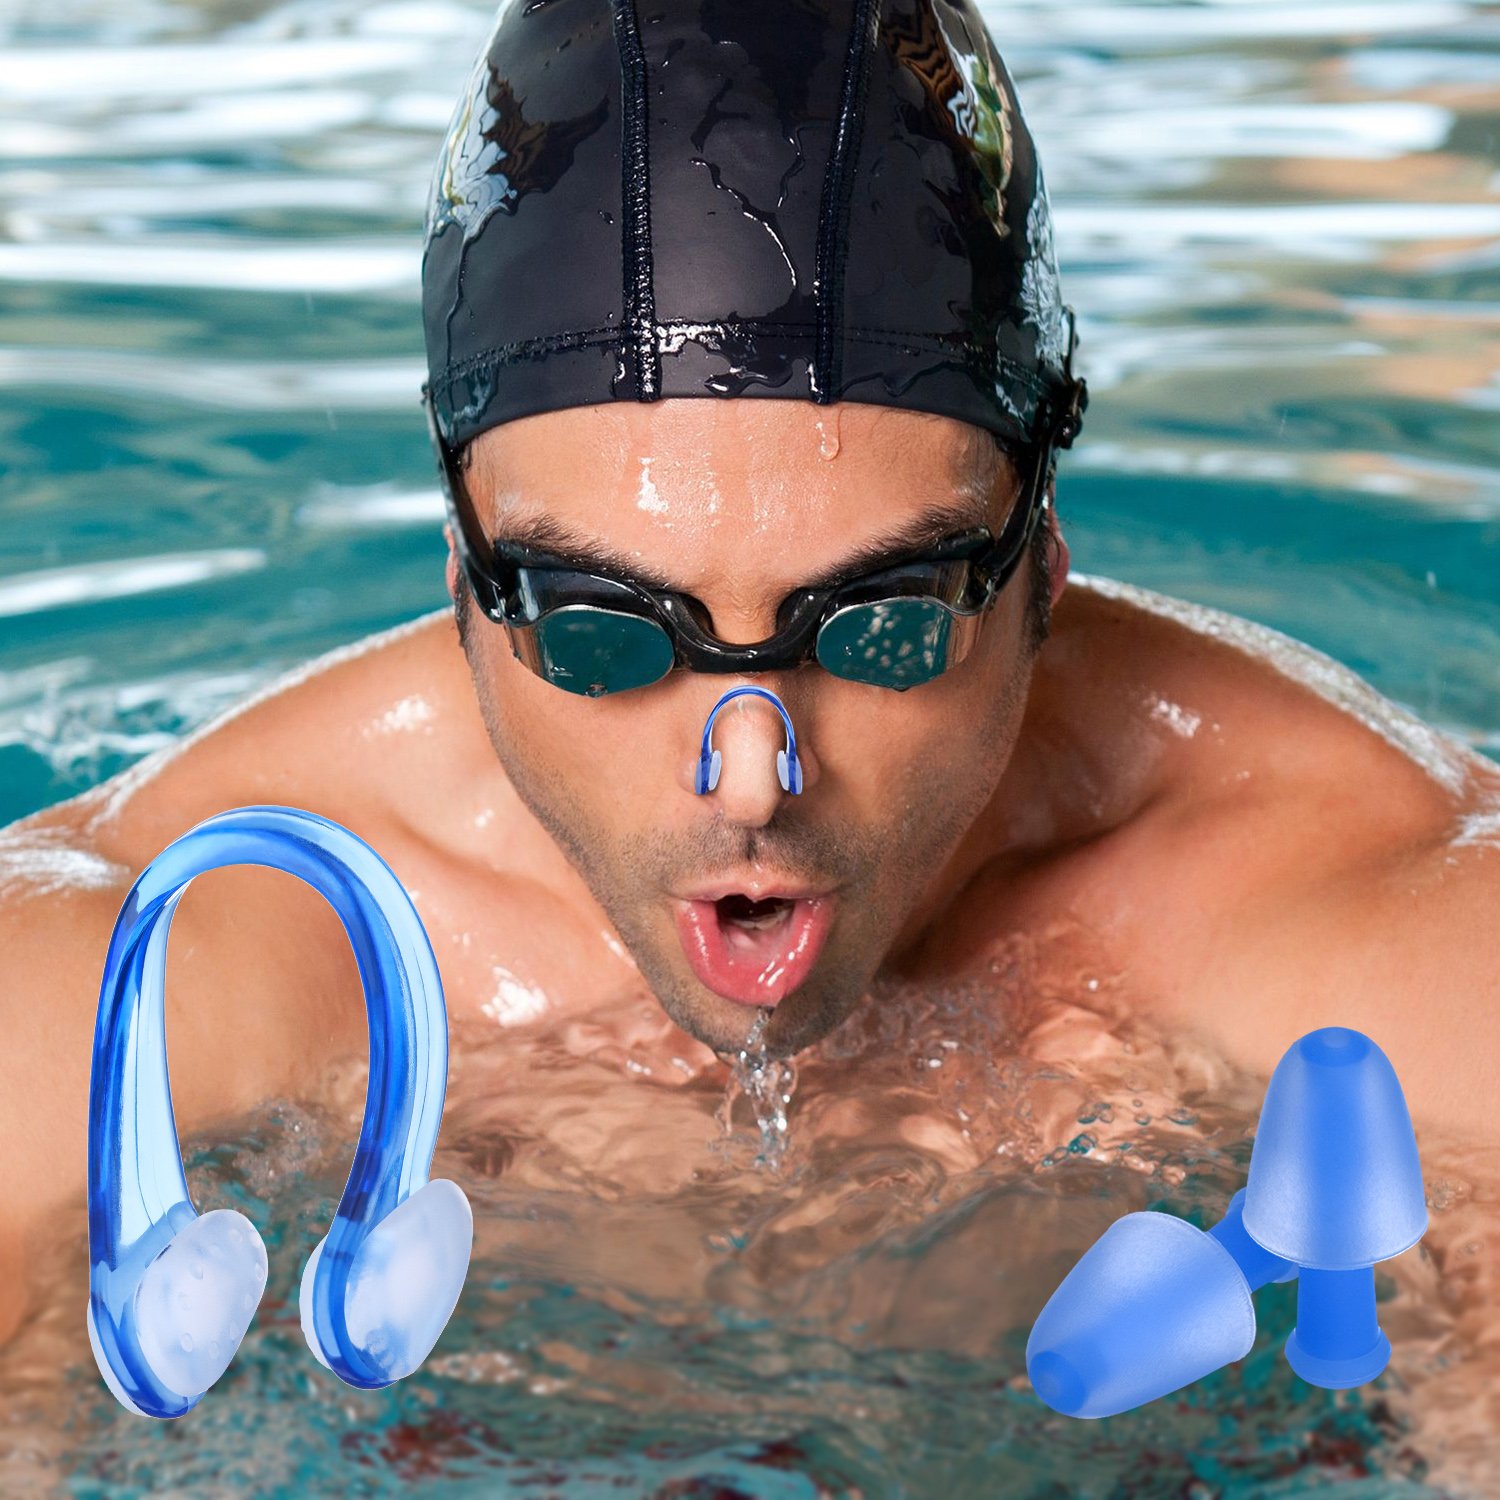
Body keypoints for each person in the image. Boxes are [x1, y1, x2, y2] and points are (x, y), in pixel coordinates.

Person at [2, 0, 1497, 1353]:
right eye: (605, 629)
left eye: (878, 624)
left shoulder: (1385, 916)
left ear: (1041, 565)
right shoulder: (134, 966)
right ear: (467, 590)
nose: (750, 783)